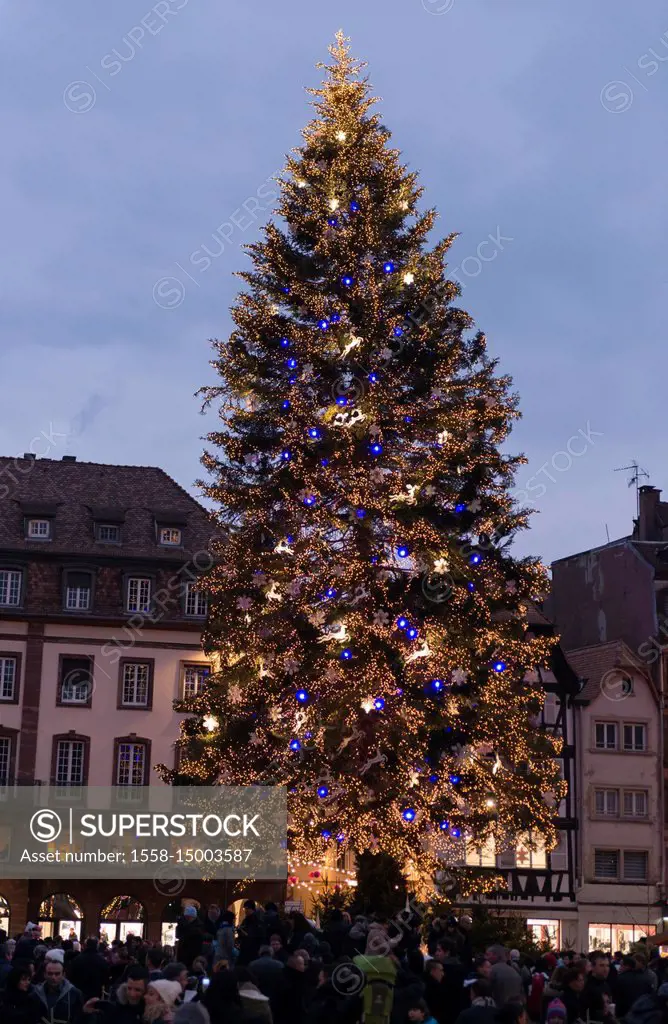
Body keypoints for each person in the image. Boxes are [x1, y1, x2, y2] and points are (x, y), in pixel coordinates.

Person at [84, 964, 149, 1022]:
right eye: (129, 988)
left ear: (146, 990)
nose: (132, 994)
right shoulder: (114, 1009)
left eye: (137, 990)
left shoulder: (152, 1014)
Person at [34, 957, 84, 1023]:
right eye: (50, 974)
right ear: (44, 974)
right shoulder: (35, 994)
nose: (53, 977)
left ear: (63, 975)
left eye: (57, 974)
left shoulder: (74, 993)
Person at [68, 938, 110, 1002]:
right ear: (97, 946)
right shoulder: (102, 960)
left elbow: (71, 976)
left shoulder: (77, 959)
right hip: (95, 992)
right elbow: (105, 978)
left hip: (79, 991)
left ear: (85, 945)